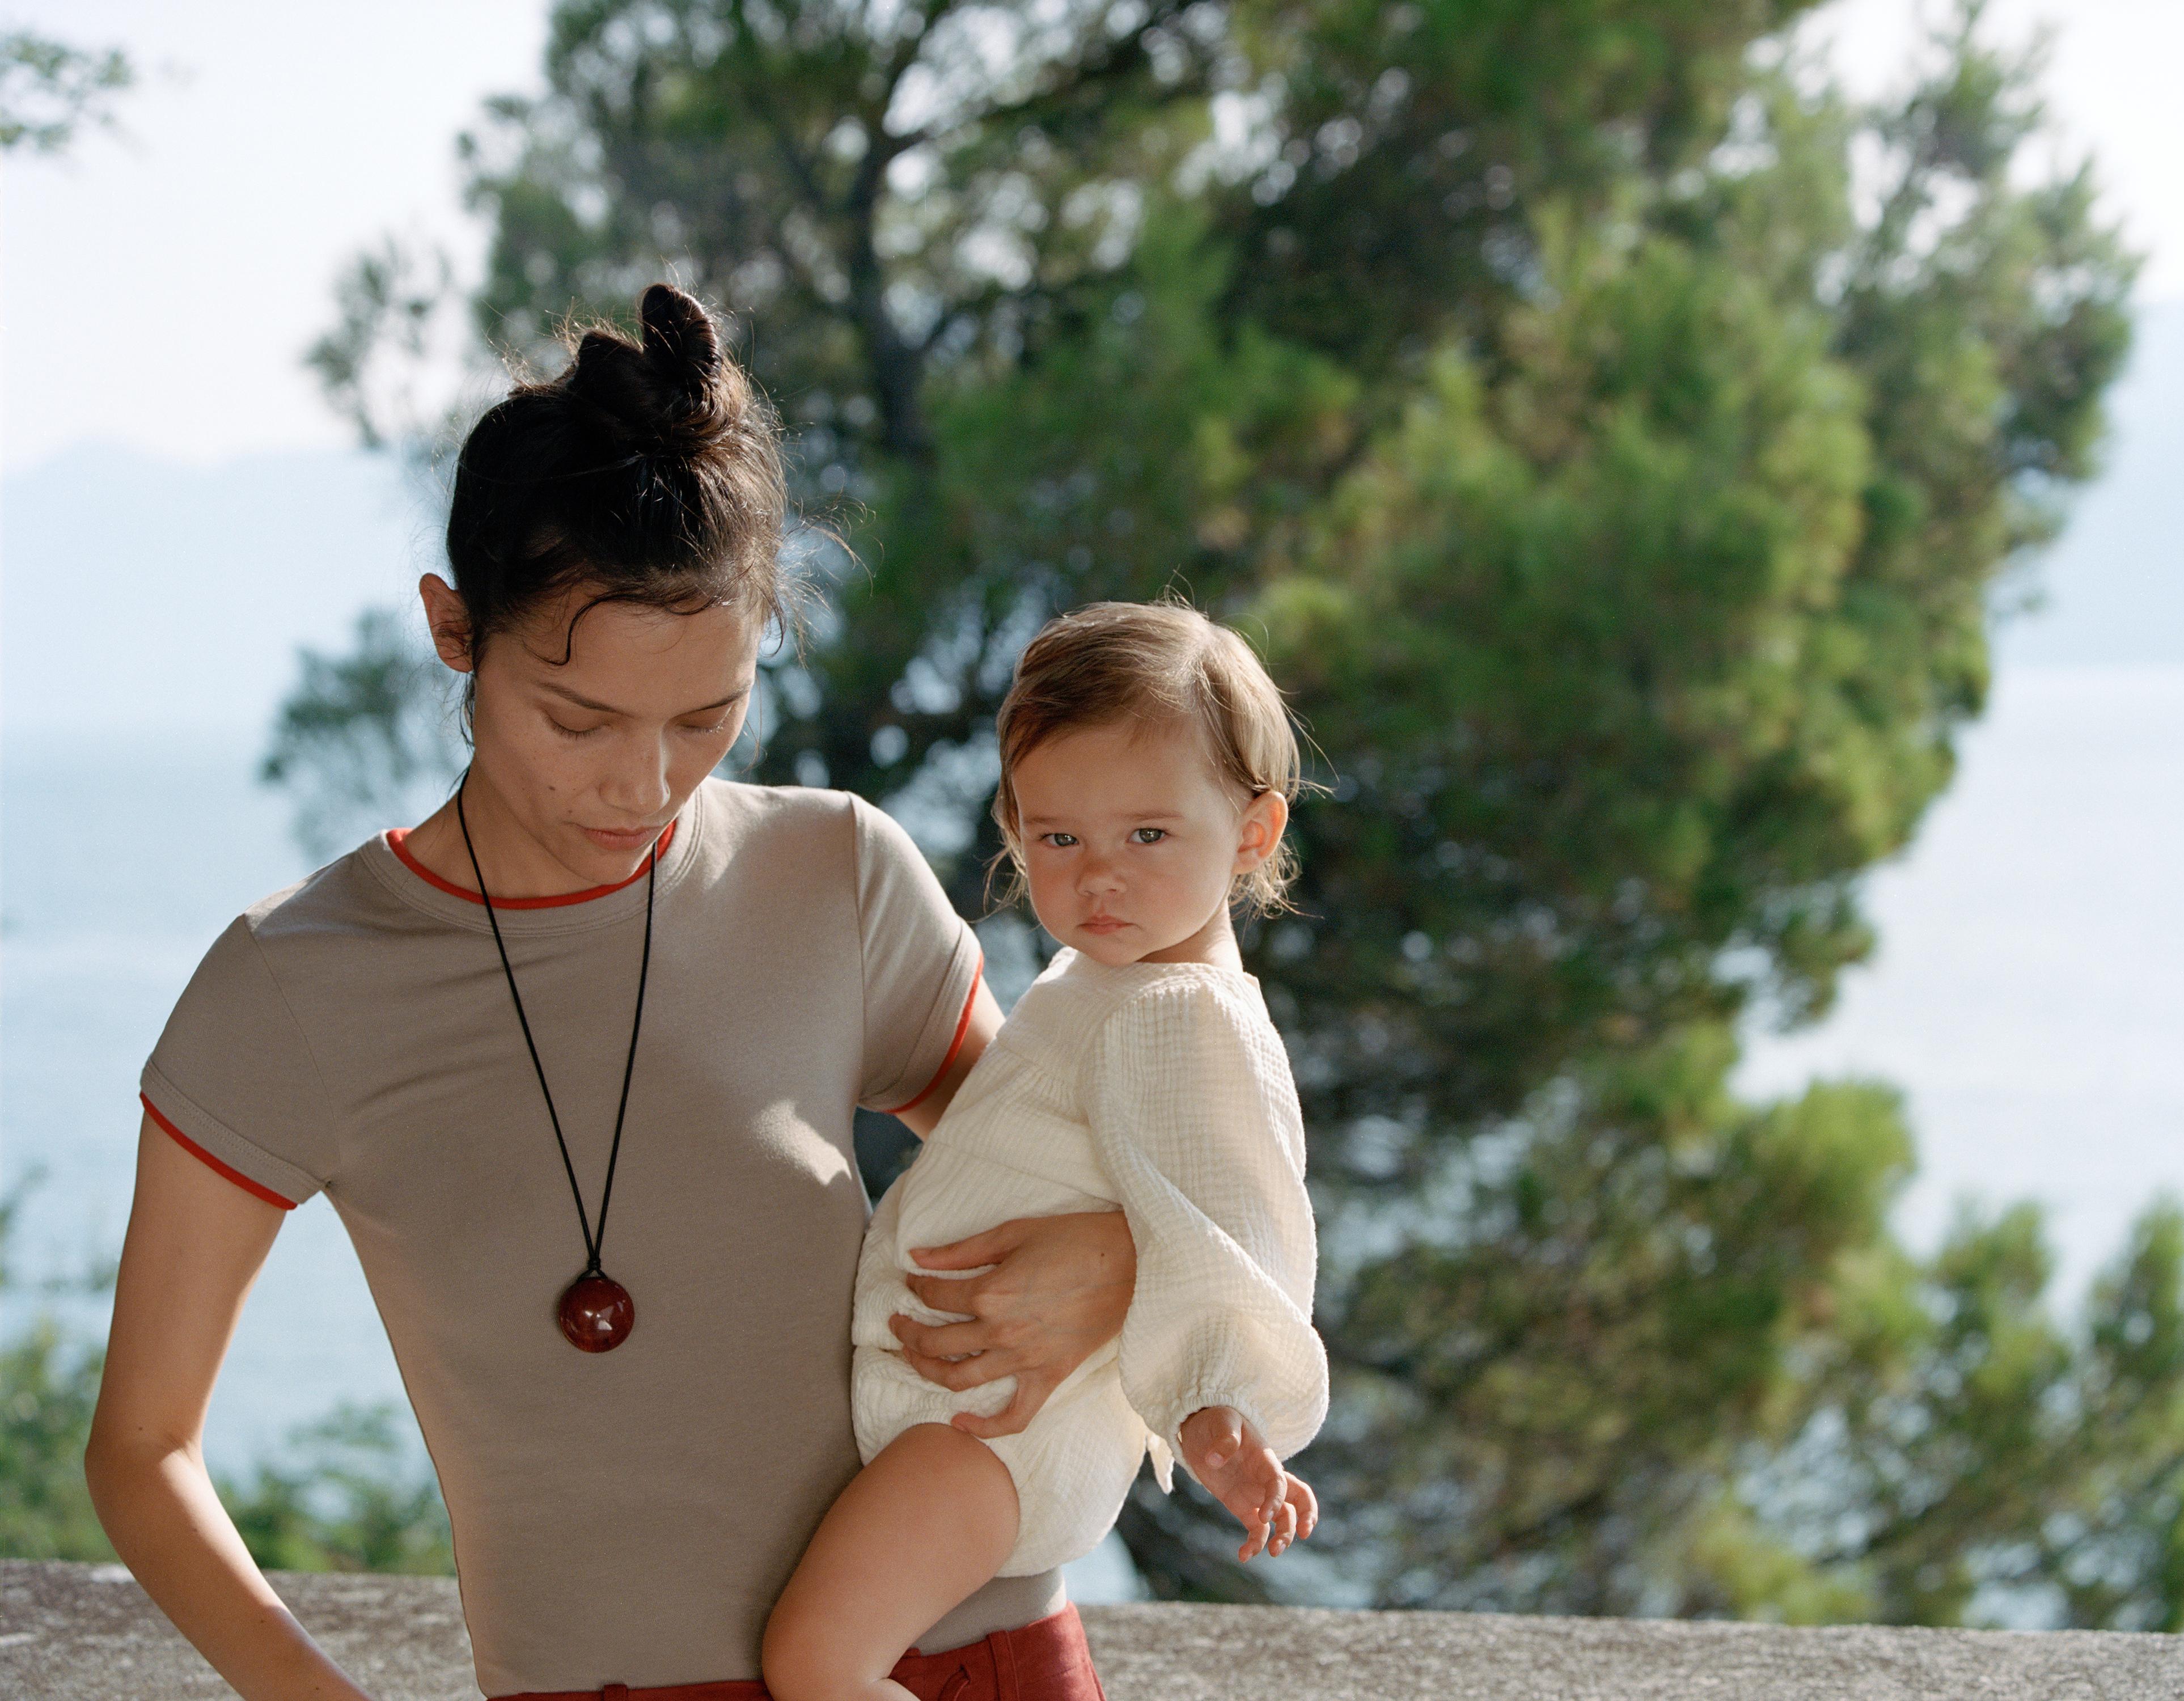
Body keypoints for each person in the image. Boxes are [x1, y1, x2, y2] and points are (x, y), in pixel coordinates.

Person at [83, 284, 1135, 1701]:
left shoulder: (832, 871)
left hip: (979, 1650)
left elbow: (1062, 1174)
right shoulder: (291, 988)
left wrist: (1124, 1259)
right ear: (456, 632)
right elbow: (143, 1449)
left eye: (705, 718)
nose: (642, 788)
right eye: (577, 721)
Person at [761, 602, 1331, 1701]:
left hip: (990, 1437)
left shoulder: (1182, 1017)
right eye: (1056, 838)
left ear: (1253, 834)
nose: (1096, 877)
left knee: (815, 1665)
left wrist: (1216, 1410)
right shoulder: (1114, 979)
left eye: (1147, 836)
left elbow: (1233, 1222)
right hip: (966, 1422)